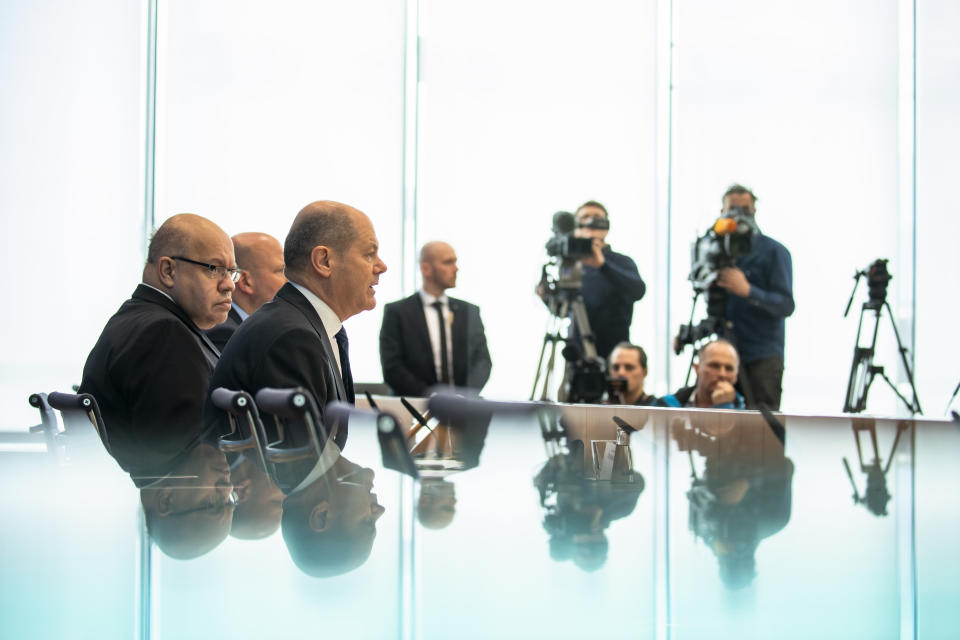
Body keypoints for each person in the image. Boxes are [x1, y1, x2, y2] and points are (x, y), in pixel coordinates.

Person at [206, 200, 387, 448]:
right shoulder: (292, 336)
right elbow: (300, 467)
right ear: (324, 261)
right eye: (369, 253)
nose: (381, 267)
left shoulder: (304, 324)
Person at [79, 213, 238, 483]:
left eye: (231, 271)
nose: (229, 285)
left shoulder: (135, 318)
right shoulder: (163, 334)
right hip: (178, 514)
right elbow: (182, 462)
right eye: (213, 269)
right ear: (168, 271)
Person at [713, 184, 794, 410]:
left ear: (754, 211)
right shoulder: (716, 251)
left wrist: (748, 291)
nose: (738, 215)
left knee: (762, 430)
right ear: (722, 212)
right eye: (732, 209)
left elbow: (786, 305)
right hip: (724, 355)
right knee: (721, 423)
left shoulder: (774, 252)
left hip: (762, 355)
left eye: (744, 209)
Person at [379, 241, 491, 397]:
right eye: (448, 262)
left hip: (464, 409)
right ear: (426, 269)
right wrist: (432, 397)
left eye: (455, 261)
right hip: (415, 408)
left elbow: (483, 362)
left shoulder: (469, 311)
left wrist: (463, 397)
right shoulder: (397, 312)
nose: (456, 268)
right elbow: (392, 367)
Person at [572, 201, 646, 361]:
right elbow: (564, 310)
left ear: (606, 226)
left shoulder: (621, 262)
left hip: (615, 358)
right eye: (584, 217)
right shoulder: (571, 266)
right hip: (577, 357)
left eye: (597, 217)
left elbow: (638, 291)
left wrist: (602, 265)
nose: (590, 221)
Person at [205, 232, 287, 352]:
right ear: (245, 281)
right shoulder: (227, 336)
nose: (289, 280)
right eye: (281, 271)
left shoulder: (256, 328)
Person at [659, 339, 745, 409]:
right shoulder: (667, 406)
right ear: (697, 368)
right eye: (714, 366)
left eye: (729, 368)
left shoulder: (750, 417)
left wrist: (725, 408)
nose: (722, 374)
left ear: (735, 376)